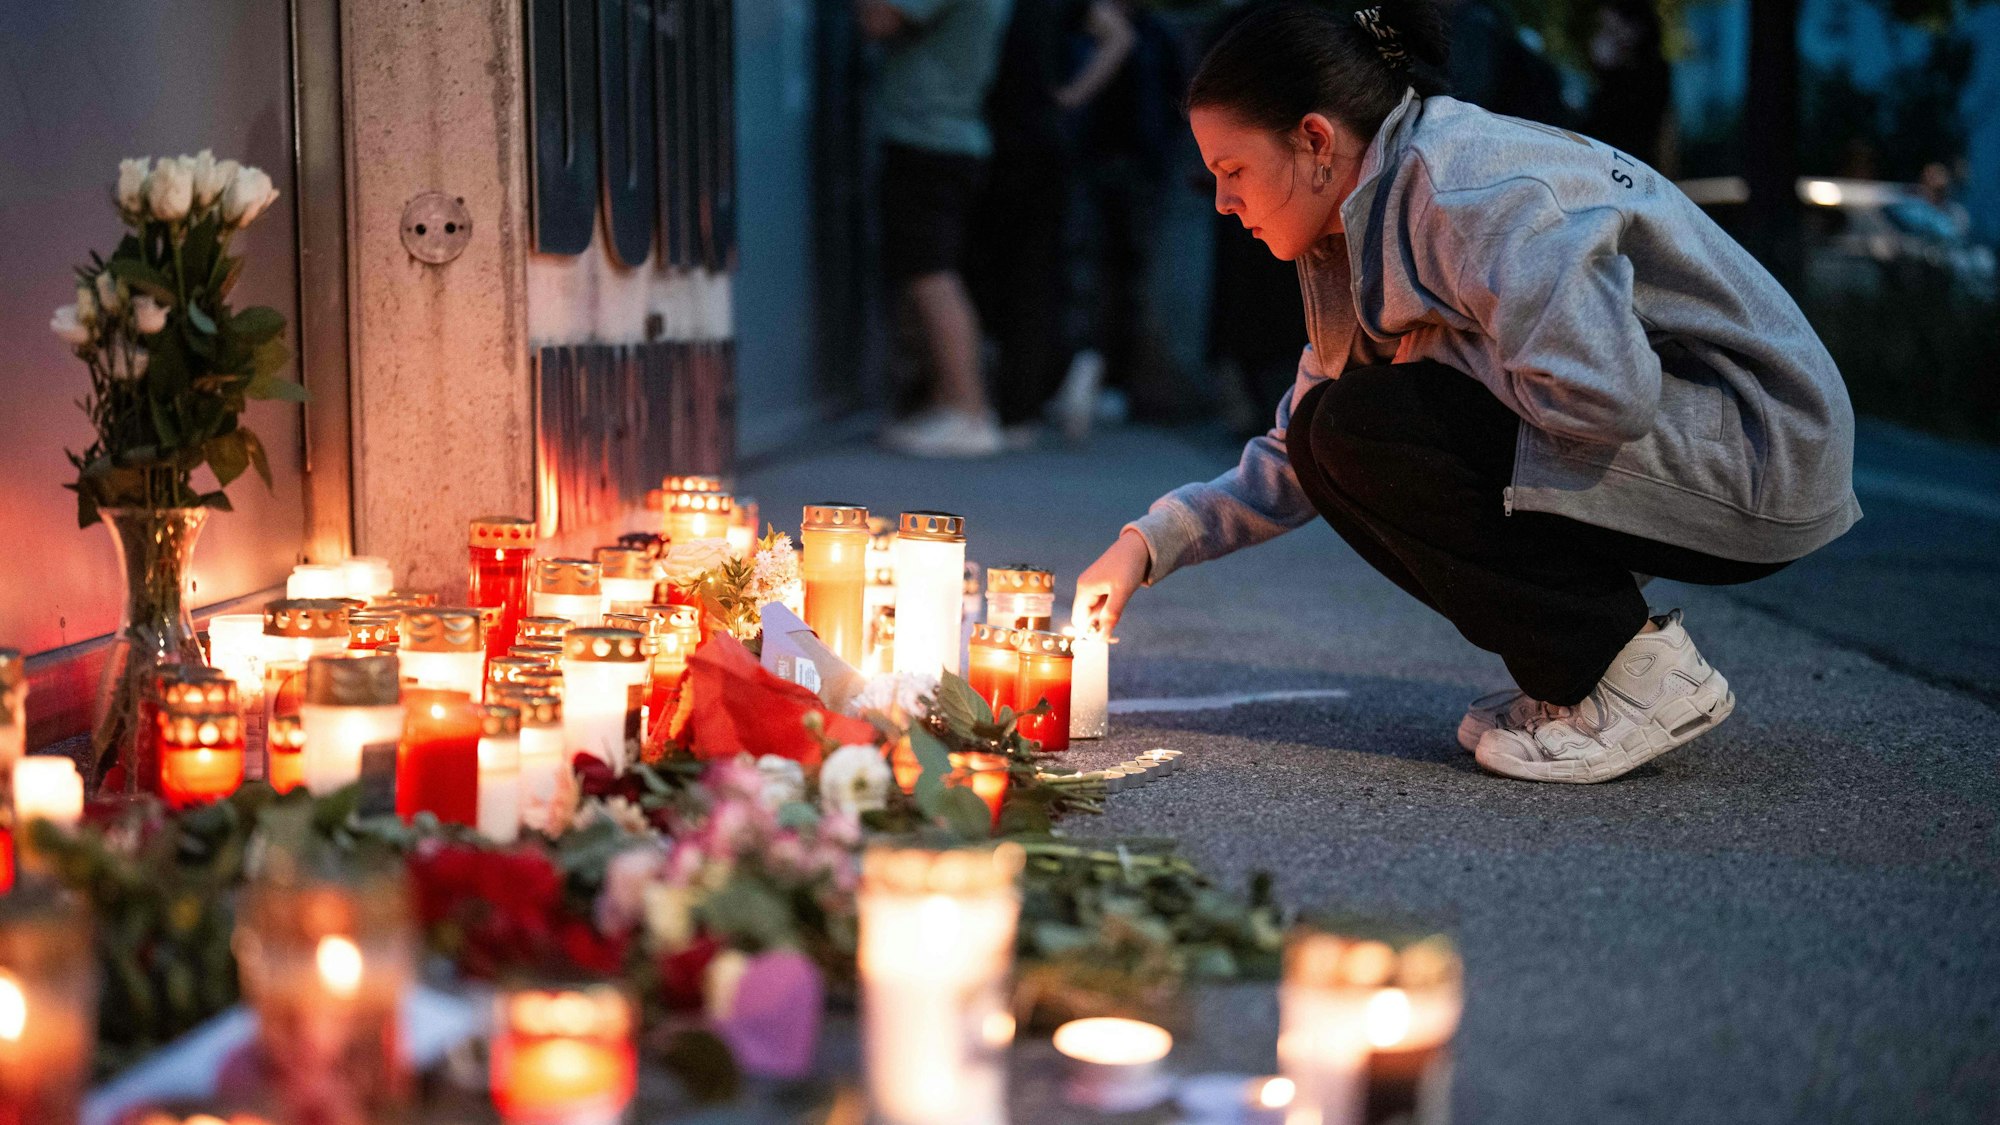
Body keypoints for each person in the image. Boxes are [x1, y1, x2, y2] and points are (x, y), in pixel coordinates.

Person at [1072, 0, 1860, 784]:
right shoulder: (1367, 211)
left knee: (1365, 425)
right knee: (1332, 427)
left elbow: (1611, 397)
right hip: (1687, 436)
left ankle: (1637, 674)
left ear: (1315, 140)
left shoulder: (1471, 198)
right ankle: (1580, 681)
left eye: (1231, 171)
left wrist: (1433, 350)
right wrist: (1148, 545)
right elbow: (1298, 445)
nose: (1222, 202)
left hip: (1765, 451)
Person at [863, 0, 1015, 457]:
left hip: (929, 136)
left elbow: (878, 19)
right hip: (949, 134)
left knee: (931, 273)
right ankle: (953, 405)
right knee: (930, 270)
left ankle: (968, 410)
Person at [1582, 0, 1671, 168]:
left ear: (1634, 30)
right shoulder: (1616, 74)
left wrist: (1606, 72)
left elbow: (1621, 123)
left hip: (1628, 168)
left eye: (1610, 31)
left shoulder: (1651, 72)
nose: (1601, 39)